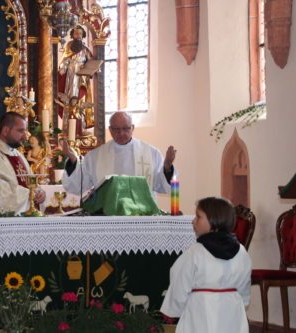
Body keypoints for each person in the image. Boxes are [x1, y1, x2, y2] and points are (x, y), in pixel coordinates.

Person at [160, 197, 252, 333]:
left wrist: (174, 309)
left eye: (198, 217)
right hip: (232, 314)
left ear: (214, 221)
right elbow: (244, 286)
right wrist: (241, 301)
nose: (193, 221)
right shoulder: (242, 252)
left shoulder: (195, 252)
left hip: (200, 313)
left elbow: (180, 282)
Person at [62, 111, 177, 196]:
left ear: (132, 128)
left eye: (125, 128)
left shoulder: (151, 153)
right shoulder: (95, 156)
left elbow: (163, 186)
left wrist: (167, 167)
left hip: (142, 215)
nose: (121, 133)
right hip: (107, 216)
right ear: (110, 129)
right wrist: (73, 161)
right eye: (116, 129)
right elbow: (78, 185)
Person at [58, 25, 94, 129]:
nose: (78, 35)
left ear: (83, 36)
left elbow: (91, 62)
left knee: (80, 100)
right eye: (76, 33)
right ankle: (67, 126)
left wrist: (91, 69)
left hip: (81, 78)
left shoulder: (85, 49)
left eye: (80, 34)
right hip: (70, 76)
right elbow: (64, 60)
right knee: (68, 100)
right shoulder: (69, 46)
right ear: (73, 35)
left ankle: (80, 127)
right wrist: (63, 67)